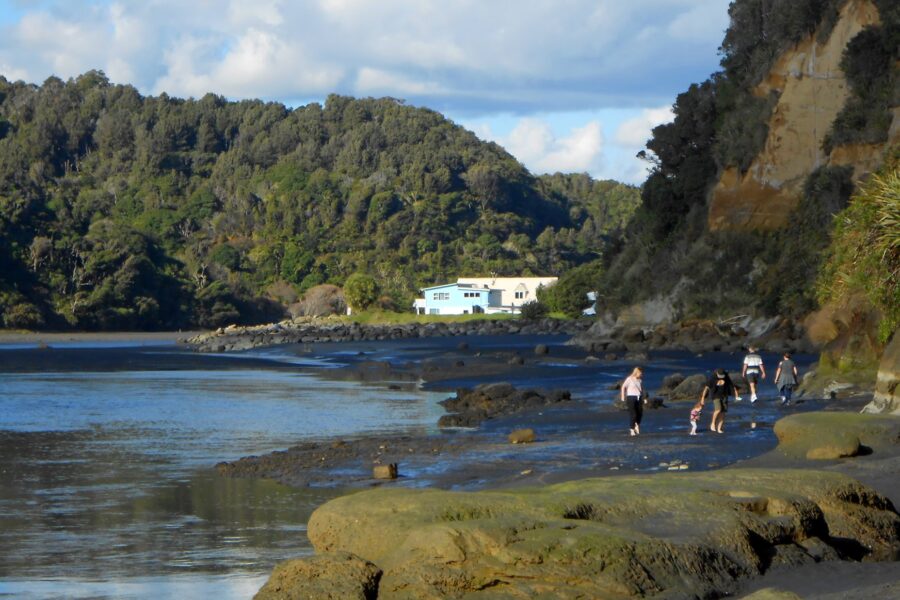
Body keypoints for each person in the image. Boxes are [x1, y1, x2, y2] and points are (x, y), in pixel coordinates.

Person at [700, 368, 739, 433]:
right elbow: (706, 388)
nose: (721, 377)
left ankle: (719, 428)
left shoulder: (726, 376)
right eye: (720, 376)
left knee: (723, 412)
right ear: (717, 373)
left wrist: (736, 395)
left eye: (722, 376)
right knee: (718, 409)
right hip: (715, 395)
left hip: (724, 395)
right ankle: (713, 423)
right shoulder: (712, 378)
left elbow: (732, 385)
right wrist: (703, 398)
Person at [620, 367, 645, 436]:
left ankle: (637, 424)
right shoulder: (629, 379)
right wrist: (622, 396)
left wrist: (644, 398)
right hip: (631, 397)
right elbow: (623, 387)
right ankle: (632, 429)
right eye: (640, 373)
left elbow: (641, 390)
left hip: (639, 397)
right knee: (633, 414)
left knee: (640, 413)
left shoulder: (640, 380)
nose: (641, 374)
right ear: (636, 372)